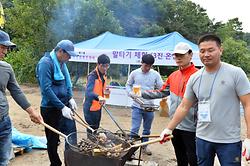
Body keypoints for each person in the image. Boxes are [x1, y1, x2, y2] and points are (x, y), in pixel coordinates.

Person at [160, 34, 250, 166]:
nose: (206, 54)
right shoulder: (195, 78)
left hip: (229, 141)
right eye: (202, 51)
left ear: (220, 50)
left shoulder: (236, 73)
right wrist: (169, 129)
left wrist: (249, 138)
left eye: (211, 50)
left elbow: (248, 104)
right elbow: (184, 106)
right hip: (202, 138)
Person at [142, 42, 198, 165]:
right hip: (175, 125)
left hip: (192, 127)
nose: (178, 58)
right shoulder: (173, 75)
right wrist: (141, 93)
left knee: (194, 159)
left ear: (190, 55)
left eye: (181, 55)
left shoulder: (198, 75)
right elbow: (162, 92)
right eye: (176, 55)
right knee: (180, 157)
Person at [0, 30, 43, 166]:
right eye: (2, 47)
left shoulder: (7, 68)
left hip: (4, 123)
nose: (5, 52)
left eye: (6, 48)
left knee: (4, 161)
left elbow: (16, 91)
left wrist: (32, 112)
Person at [36, 40, 77, 166]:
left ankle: (70, 162)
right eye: (68, 55)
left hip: (64, 105)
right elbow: (46, 89)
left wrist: (70, 98)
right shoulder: (45, 63)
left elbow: (67, 82)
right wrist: (61, 107)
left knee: (71, 136)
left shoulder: (61, 62)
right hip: (50, 108)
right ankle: (55, 164)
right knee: (53, 141)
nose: (69, 58)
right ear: (60, 51)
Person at [126, 54, 163, 155]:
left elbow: (161, 87)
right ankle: (131, 149)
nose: (147, 68)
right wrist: (130, 93)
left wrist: (156, 92)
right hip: (137, 105)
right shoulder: (134, 73)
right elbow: (128, 85)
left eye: (150, 66)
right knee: (134, 129)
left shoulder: (155, 74)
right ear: (141, 63)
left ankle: (144, 146)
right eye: (146, 65)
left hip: (149, 107)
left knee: (147, 129)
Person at [83, 54, 110, 133]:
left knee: (96, 128)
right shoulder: (92, 76)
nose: (105, 68)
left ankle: (94, 144)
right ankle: (90, 144)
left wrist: (105, 94)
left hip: (98, 106)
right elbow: (88, 93)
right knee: (91, 130)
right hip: (90, 107)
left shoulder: (104, 75)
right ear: (98, 64)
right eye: (103, 66)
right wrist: (99, 97)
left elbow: (100, 88)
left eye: (107, 66)